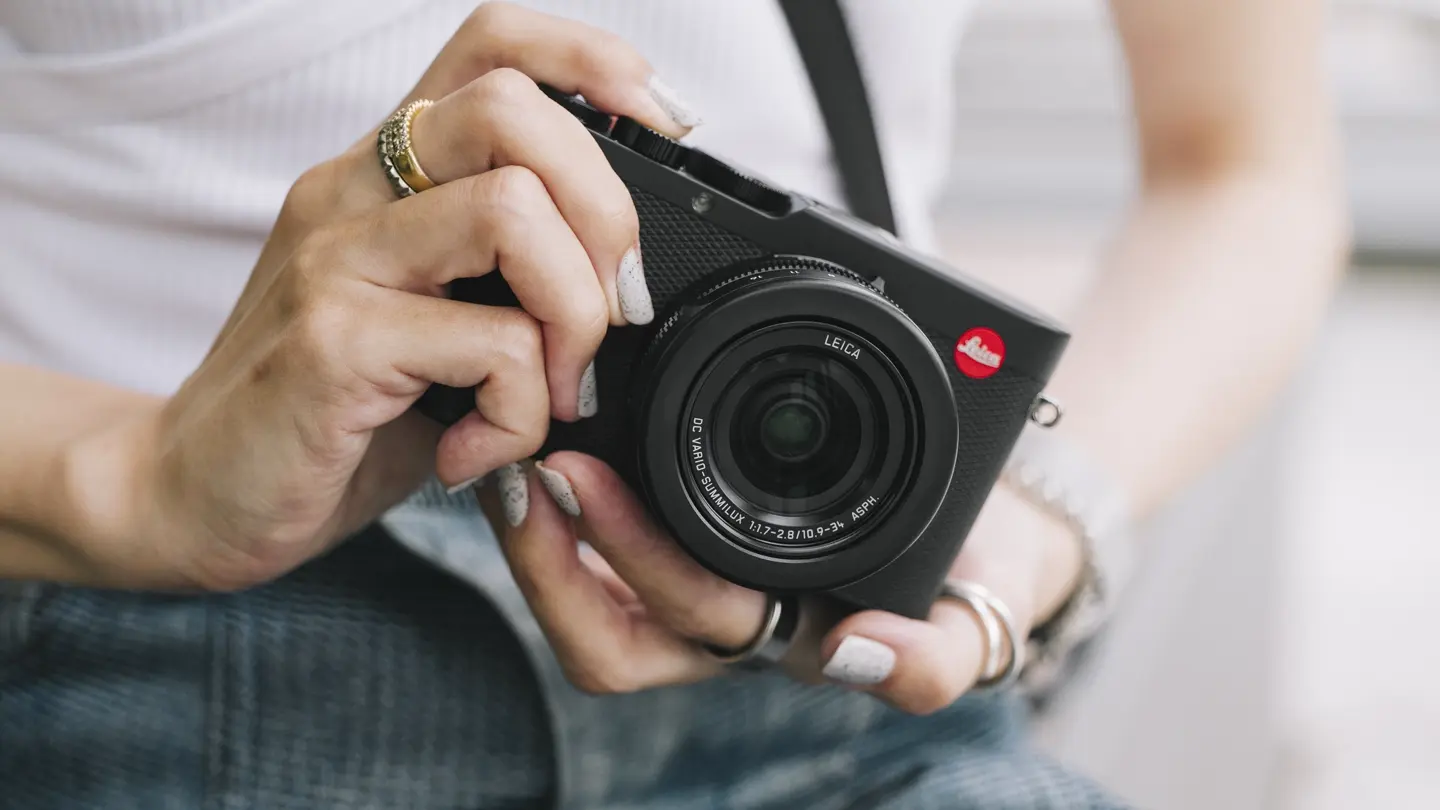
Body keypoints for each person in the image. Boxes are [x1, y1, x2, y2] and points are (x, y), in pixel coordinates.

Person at [0, 1, 1348, 807]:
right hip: (168, 654)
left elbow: (1246, 172)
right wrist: (133, 478)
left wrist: (1028, 530)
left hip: (843, 677)